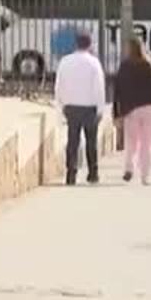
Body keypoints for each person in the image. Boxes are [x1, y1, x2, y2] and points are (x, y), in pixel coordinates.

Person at [54, 32, 106, 186]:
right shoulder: (94, 63)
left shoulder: (65, 61)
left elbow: (59, 85)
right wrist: (100, 109)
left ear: (75, 44)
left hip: (71, 106)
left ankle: (71, 174)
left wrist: (61, 105)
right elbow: (99, 87)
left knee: (72, 142)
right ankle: (93, 173)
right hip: (89, 107)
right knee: (91, 142)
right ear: (90, 45)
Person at [113, 40, 151, 185]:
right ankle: (145, 176)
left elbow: (118, 90)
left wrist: (117, 113)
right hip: (150, 108)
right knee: (147, 143)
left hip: (131, 108)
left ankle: (129, 168)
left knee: (131, 141)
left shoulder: (125, 66)